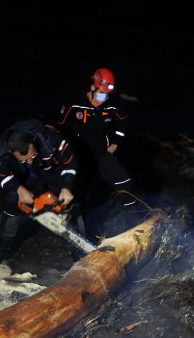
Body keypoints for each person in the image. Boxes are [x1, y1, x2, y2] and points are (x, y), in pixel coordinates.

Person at [57, 67, 139, 235]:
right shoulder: (74, 103)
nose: (104, 96)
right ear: (93, 86)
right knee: (83, 196)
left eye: (107, 93)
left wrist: (115, 143)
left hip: (101, 154)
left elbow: (122, 123)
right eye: (102, 92)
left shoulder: (112, 106)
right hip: (78, 156)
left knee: (125, 182)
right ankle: (78, 233)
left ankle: (134, 224)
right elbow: (60, 128)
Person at [0, 118, 81, 264]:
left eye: (32, 156)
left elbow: (70, 163)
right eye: (24, 159)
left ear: (33, 142)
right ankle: (0, 246)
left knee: (69, 203)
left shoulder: (52, 139)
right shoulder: (3, 154)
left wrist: (66, 187)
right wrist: (18, 189)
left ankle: (80, 251)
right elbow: (1, 175)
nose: (30, 161)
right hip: (23, 177)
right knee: (12, 200)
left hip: (50, 170)